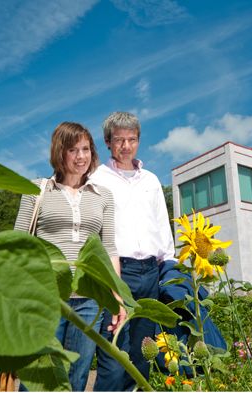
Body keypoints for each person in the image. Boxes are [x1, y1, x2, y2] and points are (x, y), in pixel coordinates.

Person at [14, 121, 126, 392]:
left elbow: (109, 248)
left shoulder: (103, 196)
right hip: (45, 297)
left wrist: (118, 297)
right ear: (59, 152)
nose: (81, 156)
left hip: (89, 300)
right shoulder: (37, 190)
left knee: (76, 377)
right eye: (73, 149)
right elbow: (17, 245)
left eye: (86, 149)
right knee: (38, 377)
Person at [90, 112, 175, 391]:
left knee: (142, 354)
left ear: (138, 141)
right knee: (114, 356)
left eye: (132, 139)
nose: (126, 146)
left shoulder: (150, 180)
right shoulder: (97, 178)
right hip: (116, 273)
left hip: (150, 272)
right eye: (119, 140)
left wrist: (169, 264)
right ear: (107, 142)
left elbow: (162, 224)